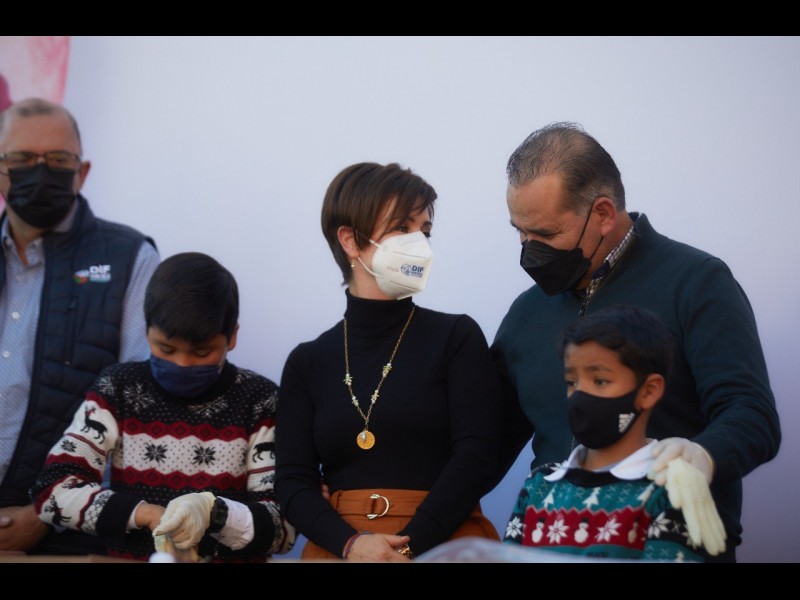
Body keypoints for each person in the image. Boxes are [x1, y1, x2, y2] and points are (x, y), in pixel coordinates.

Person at [491, 122, 781, 562]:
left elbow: (751, 415)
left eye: (546, 235)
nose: (530, 250)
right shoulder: (525, 314)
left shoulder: (696, 283)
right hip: (551, 547)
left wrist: (702, 456)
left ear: (604, 213)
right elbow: (485, 445)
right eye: (520, 231)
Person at [276, 161, 503, 561]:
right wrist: (351, 544)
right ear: (350, 240)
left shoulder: (457, 337)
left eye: (425, 231)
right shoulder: (307, 361)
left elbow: (477, 455)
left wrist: (408, 547)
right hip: (341, 548)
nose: (419, 243)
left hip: (445, 543)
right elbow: (293, 482)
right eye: (401, 227)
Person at [30, 252, 296, 562]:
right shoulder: (118, 389)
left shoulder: (259, 401)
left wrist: (213, 514)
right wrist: (146, 514)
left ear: (232, 337)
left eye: (202, 353)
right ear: (146, 329)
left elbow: (284, 529)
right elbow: (52, 492)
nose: (181, 363)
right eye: (165, 348)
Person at [0, 97, 160, 555]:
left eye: (58, 160)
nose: (41, 172)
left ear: (82, 171)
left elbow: (141, 409)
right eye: (22, 159)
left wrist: (49, 512)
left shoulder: (130, 258)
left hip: (67, 535)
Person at [504, 304, 726, 561]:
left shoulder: (669, 489)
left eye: (600, 381)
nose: (580, 394)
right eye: (571, 382)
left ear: (649, 391)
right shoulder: (540, 483)